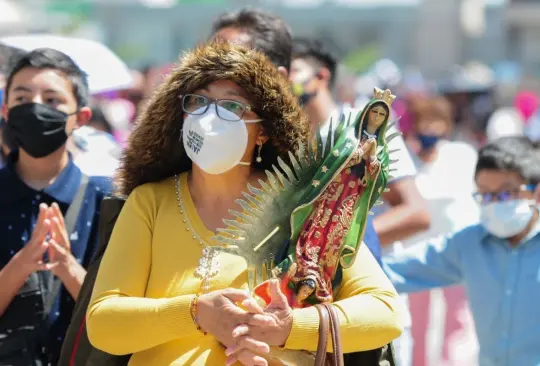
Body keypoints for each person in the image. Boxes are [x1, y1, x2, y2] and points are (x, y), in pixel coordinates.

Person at [86, 41, 403, 366]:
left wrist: (286, 328)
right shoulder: (150, 202)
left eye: (232, 106)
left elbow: (385, 312)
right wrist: (196, 312)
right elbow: (103, 323)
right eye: (198, 101)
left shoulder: (304, 205)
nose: (210, 117)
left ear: (263, 130)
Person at [288, 37, 429, 366]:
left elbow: (415, 213)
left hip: (364, 311)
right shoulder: (284, 140)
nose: (284, 80)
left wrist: (336, 240)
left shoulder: (361, 127)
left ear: (321, 77)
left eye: (293, 70)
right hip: (303, 317)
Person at [211, 9, 386, 268]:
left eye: (232, 64)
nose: (213, 76)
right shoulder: (163, 183)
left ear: (278, 78)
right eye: (207, 62)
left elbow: (372, 297)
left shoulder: (323, 173)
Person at [383, 136, 540, 366]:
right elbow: (398, 269)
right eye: (485, 195)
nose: (495, 203)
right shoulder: (469, 244)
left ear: (535, 192)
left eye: (505, 194)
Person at [0, 48, 112, 365]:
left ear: (82, 117)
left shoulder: (109, 200)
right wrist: (22, 264)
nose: (36, 108)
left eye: (52, 100)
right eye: (23, 98)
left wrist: (66, 266)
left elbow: (120, 315)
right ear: (6, 111)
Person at [404, 96, 479, 366]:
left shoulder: (462, 154)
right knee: (419, 318)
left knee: (458, 316)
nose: (430, 129)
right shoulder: (408, 161)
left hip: (457, 248)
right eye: (425, 122)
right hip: (418, 250)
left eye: (436, 122)